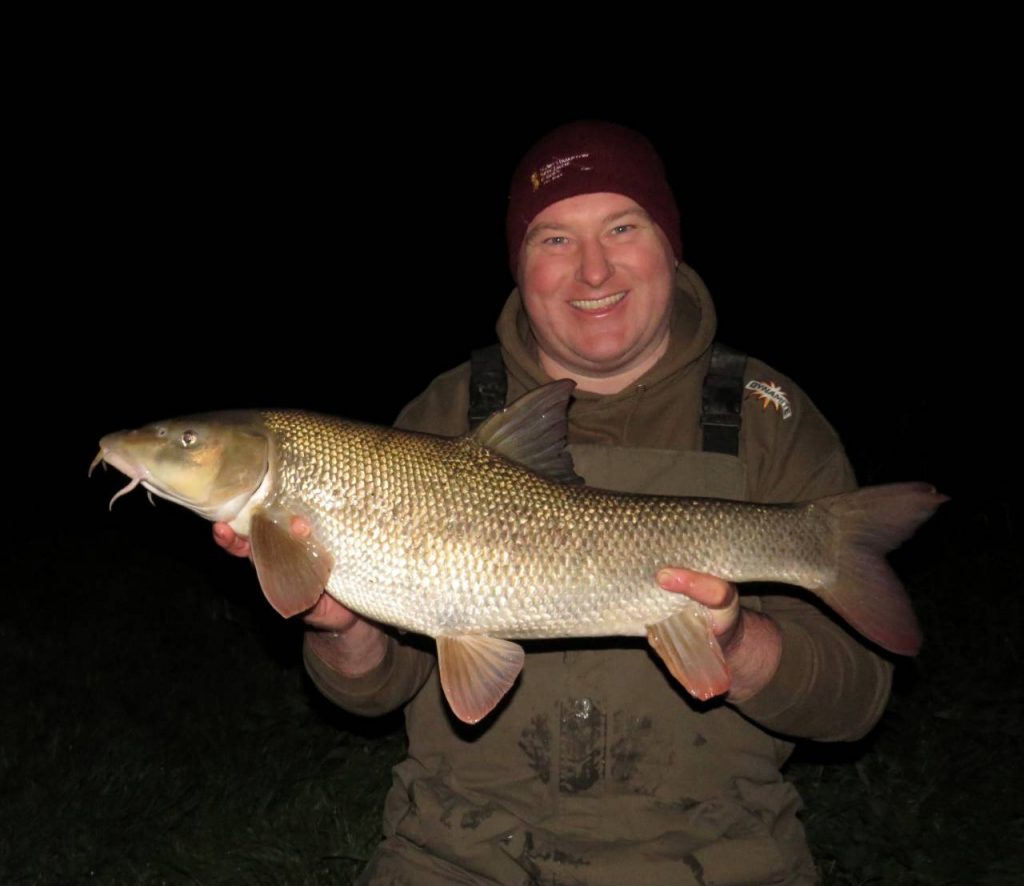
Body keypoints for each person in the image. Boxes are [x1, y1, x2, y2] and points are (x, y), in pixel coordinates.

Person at [215, 121, 892, 885]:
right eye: (555, 240)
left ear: (669, 244)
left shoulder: (769, 418)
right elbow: (374, 691)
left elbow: (856, 703)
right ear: (519, 266)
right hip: (462, 854)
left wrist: (738, 648)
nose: (594, 270)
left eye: (622, 228)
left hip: (716, 858)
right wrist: (338, 629)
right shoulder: (447, 413)